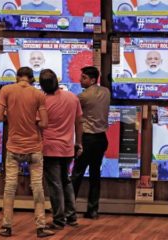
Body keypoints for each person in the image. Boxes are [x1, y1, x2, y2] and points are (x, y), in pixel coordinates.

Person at [0, 67, 54, 238]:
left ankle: (6, 226)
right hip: (34, 147)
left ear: (17, 77)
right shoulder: (38, 95)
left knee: (9, 187)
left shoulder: (6, 90)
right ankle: (41, 227)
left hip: (13, 147)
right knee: (37, 187)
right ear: (31, 78)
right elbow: (44, 123)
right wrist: (34, 120)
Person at [39, 69, 83, 230]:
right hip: (68, 148)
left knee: (55, 185)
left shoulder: (42, 102)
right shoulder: (72, 97)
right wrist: (79, 143)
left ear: (42, 86)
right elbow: (79, 122)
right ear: (57, 81)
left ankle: (58, 220)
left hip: (49, 148)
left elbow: (38, 125)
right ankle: (71, 216)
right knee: (66, 181)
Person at [71, 66, 110, 219]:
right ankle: (93, 210)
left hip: (87, 139)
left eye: (84, 77)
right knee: (95, 175)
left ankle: (69, 209)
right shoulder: (106, 92)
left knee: (77, 174)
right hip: (102, 139)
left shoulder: (83, 97)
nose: (80, 80)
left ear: (92, 80)